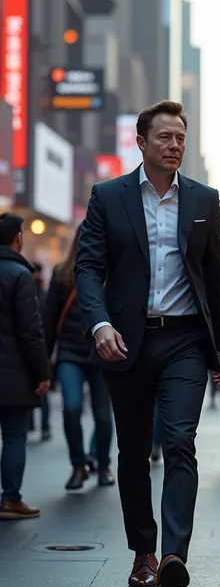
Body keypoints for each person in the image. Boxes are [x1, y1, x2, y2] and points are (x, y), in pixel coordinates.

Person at [75, 100, 220, 587]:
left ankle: (173, 556)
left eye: (181, 138)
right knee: (133, 453)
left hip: (186, 340)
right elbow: (87, 267)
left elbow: (217, 278)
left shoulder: (204, 200)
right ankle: (143, 551)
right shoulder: (108, 196)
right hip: (126, 342)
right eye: (165, 137)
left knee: (180, 440)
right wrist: (99, 323)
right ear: (141, 143)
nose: (174, 146)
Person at [44, 224, 114, 491]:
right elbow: (49, 320)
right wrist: (43, 362)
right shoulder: (62, 274)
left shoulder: (114, 274)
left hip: (103, 352)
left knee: (103, 415)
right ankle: (78, 465)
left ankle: (104, 464)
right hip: (70, 352)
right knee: (71, 408)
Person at [0, 214, 50, 519]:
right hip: (12, 373)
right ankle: (11, 499)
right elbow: (31, 331)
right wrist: (42, 373)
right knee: (15, 436)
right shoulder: (20, 276)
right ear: (18, 238)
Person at [30, 261, 51, 441]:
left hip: (34, 347)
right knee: (42, 388)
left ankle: (36, 425)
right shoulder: (43, 295)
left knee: (33, 388)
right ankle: (44, 426)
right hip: (40, 346)